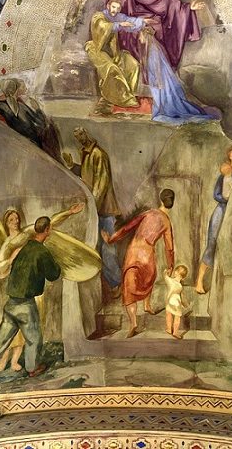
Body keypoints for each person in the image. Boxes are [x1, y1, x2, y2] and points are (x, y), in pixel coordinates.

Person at [0, 202, 84, 372]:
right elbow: (0, 272)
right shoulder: (8, 245)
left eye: (17, 218)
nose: (16, 222)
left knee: (27, 331)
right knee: (22, 332)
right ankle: (15, 363)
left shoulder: (27, 235)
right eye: (11, 220)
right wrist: (11, 259)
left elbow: (49, 223)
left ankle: (16, 362)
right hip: (20, 291)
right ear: (6, 223)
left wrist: (69, 212)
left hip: (30, 292)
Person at [0, 216, 60, 385]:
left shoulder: (24, 247)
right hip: (25, 304)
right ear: (47, 230)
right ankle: (32, 368)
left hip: (11, 304)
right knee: (34, 339)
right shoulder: (42, 251)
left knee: (0, 341)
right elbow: (53, 274)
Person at [91, 0, 206, 71]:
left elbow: (176, 7)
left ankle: (149, 69)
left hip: (154, 22)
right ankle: (133, 65)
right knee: (129, 32)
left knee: (148, 37)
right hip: (136, 19)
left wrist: (189, 7)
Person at [101, 189, 176, 338]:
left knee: (129, 288)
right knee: (148, 279)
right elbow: (169, 248)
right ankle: (147, 305)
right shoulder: (167, 222)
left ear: (161, 200)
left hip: (134, 253)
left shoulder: (148, 213)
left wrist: (111, 239)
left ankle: (134, 323)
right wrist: (171, 265)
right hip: (148, 255)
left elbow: (127, 228)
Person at [63, 127, 122, 298]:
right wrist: (71, 165)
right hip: (96, 209)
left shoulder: (98, 154)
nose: (80, 138)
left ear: (86, 134)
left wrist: (93, 208)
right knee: (96, 247)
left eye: (81, 134)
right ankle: (107, 285)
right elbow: (86, 177)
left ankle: (115, 284)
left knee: (108, 249)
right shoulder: (86, 153)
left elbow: (101, 184)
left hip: (104, 210)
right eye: (77, 137)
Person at [194, 146, 232, 294]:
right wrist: (228, 200)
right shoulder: (223, 175)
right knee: (212, 242)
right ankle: (199, 281)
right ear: (229, 156)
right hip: (223, 209)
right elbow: (216, 194)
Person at [137, 25, 214, 124]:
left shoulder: (153, 50)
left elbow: (156, 68)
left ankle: (163, 110)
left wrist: (156, 81)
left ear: (146, 36)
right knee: (159, 96)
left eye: (141, 36)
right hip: (156, 78)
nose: (139, 38)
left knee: (161, 97)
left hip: (158, 79)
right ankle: (161, 108)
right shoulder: (151, 48)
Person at [85, 0, 143, 108]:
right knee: (112, 68)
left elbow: (130, 21)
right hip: (97, 49)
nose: (114, 10)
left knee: (133, 65)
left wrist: (143, 23)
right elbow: (102, 26)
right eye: (113, 7)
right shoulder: (98, 16)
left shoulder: (117, 17)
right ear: (108, 6)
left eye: (117, 8)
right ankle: (121, 98)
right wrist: (119, 24)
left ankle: (128, 94)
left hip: (113, 50)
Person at [0, 79, 61, 160]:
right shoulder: (21, 107)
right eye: (23, 87)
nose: (25, 89)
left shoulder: (2, 105)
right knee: (50, 128)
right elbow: (40, 123)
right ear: (16, 90)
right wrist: (37, 109)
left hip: (20, 138)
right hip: (32, 141)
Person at [164, 265, 188, 339]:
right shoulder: (180, 286)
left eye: (175, 271)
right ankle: (175, 332)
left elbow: (165, 276)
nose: (174, 272)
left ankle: (169, 329)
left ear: (176, 273)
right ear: (183, 277)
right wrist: (184, 304)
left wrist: (166, 272)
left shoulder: (170, 281)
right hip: (177, 302)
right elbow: (181, 296)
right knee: (177, 317)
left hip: (169, 301)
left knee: (168, 314)